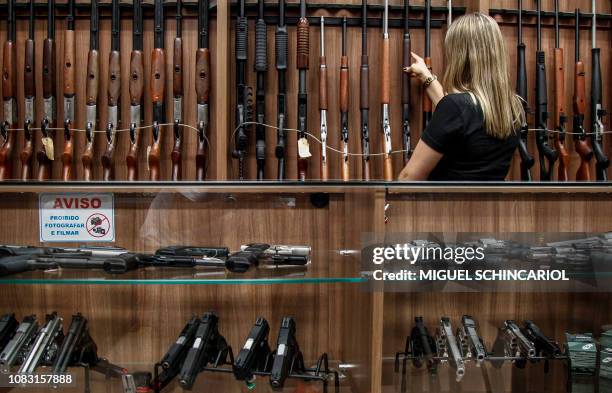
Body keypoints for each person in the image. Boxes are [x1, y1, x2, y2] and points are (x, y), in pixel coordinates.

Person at [398, 12, 523, 181]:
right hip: (489, 207)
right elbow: (462, 119)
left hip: (445, 207)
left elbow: (409, 177)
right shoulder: (514, 107)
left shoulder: (456, 108)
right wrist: (426, 77)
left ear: (460, 57)